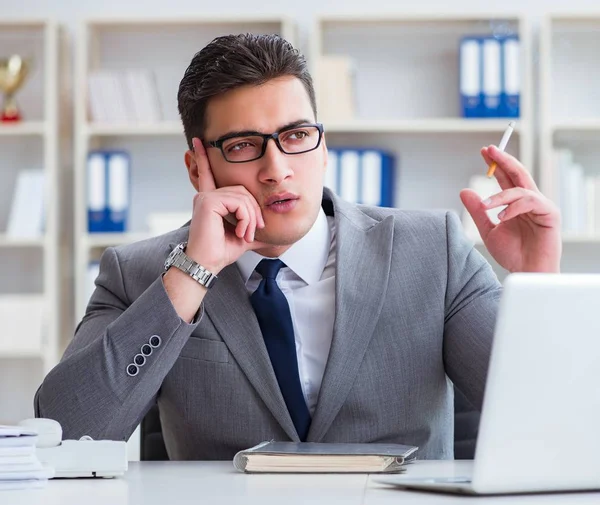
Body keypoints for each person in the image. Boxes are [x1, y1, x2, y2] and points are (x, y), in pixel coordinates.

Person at [34, 34, 561, 460]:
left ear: (323, 146)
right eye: (243, 145)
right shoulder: (139, 272)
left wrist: (538, 283)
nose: (277, 168)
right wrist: (190, 274)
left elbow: (548, 423)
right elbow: (63, 432)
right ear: (199, 167)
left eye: (295, 136)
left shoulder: (434, 253)